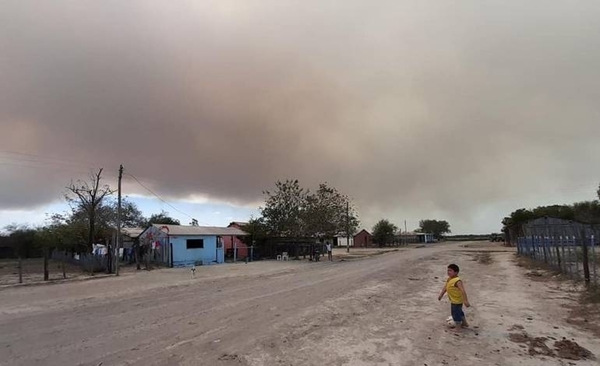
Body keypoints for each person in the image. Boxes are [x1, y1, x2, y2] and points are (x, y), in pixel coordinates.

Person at [438, 264, 470, 328]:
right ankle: (465, 323)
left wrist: (465, 300)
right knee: (459, 312)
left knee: (455, 314)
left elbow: (463, 291)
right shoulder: (449, 279)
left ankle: (458, 328)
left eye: (450, 271)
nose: (448, 272)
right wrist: (441, 295)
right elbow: (445, 287)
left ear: (456, 272)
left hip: (457, 300)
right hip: (453, 299)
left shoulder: (458, 281)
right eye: (448, 270)